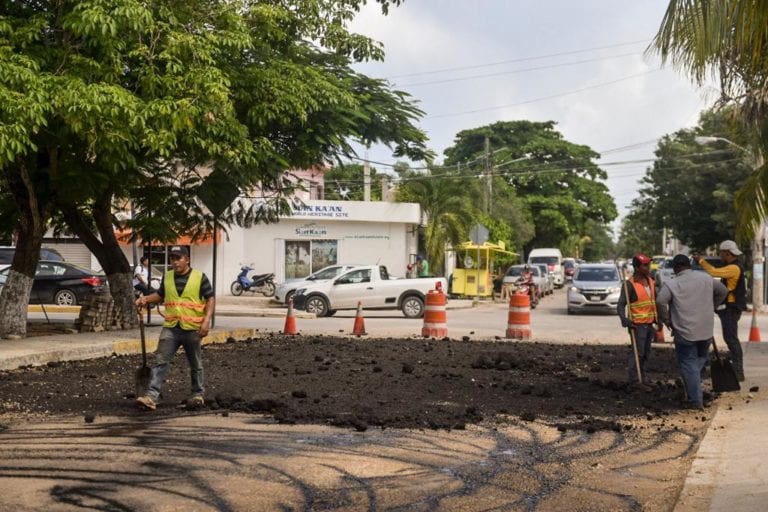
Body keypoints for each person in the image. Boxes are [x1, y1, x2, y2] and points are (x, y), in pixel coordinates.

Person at [134, 246, 215, 411]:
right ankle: (151, 397)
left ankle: (197, 394)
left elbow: (210, 299)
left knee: (195, 363)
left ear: (187, 259)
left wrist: (206, 321)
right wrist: (146, 299)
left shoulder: (200, 277)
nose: (175, 262)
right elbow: (161, 295)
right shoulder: (168, 276)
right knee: (160, 361)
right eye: (173, 259)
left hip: (192, 328)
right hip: (171, 327)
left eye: (179, 258)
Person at [656, 254, 728, 409]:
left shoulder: (672, 284)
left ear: (675, 268)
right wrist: (712, 306)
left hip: (684, 331)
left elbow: (661, 300)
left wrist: (666, 320)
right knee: (699, 359)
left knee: (689, 365)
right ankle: (692, 386)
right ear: (689, 264)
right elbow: (723, 291)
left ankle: (696, 401)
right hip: (706, 330)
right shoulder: (706, 278)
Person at [693, 240, 748, 381]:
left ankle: (738, 370)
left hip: (731, 308)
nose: (720, 255)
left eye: (721, 253)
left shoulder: (734, 268)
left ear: (727, 253)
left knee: (731, 339)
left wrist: (701, 261)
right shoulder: (733, 266)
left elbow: (713, 272)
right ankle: (737, 369)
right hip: (728, 307)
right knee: (730, 339)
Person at [617, 253, 660, 385]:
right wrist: (625, 320)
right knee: (638, 353)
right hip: (637, 325)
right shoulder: (629, 285)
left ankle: (643, 377)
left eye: (648, 264)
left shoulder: (651, 281)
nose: (648, 267)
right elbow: (620, 305)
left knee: (646, 353)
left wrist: (660, 320)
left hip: (650, 324)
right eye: (645, 265)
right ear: (637, 267)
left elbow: (655, 302)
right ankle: (634, 380)